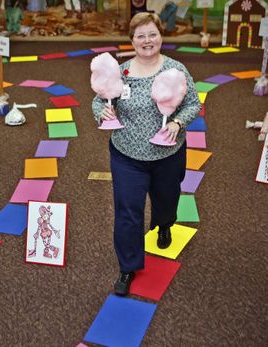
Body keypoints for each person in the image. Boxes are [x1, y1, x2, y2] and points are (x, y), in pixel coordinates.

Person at [91, 12, 200, 296]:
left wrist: (177, 122)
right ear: (132, 40)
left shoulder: (176, 69)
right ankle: (127, 266)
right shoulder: (121, 72)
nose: (147, 41)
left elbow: (193, 103)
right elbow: (98, 99)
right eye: (140, 36)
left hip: (168, 155)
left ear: (161, 36)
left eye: (152, 34)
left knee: (166, 200)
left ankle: (164, 224)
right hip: (127, 155)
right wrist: (101, 112)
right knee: (128, 212)